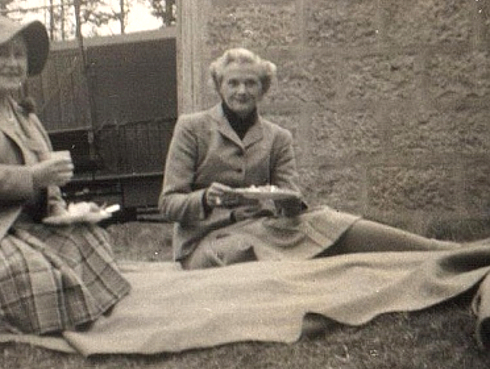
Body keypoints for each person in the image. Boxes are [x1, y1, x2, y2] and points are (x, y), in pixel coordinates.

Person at [0, 15, 130, 336]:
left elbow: (49, 187)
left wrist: (66, 211)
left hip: (25, 228)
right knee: (32, 273)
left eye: (20, 54)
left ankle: (63, 311)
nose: (14, 63)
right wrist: (32, 177)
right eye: (2, 54)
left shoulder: (26, 116)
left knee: (91, 240)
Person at [159, 47, 456, 270]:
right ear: (219, 86)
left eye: (251, 84)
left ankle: (440, 249)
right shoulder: (192, 128)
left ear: (263, 89)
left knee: (326, 221)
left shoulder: (278, 137)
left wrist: (286, 201)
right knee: (243, 251)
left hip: (265, 228)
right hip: (205, 242)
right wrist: (205, 200)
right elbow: (168, 204)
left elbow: (291, 198)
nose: (242, 91)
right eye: (233, 83)